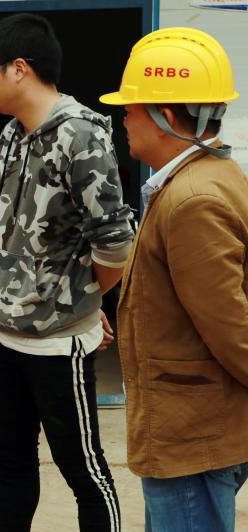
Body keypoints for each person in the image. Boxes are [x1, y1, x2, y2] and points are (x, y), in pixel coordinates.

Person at [0, 14, 134, 532]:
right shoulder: (11, 135)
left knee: (83, 470)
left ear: (18, 68)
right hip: (1, 331)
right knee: (12, 461)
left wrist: (82, 301)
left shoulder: (82, 136)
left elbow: (115, 241)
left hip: (55, 343)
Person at [100, 27, 248, 532]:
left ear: (164, 116)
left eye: (131, 109)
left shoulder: (193, 200)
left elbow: (231, 327)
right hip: (192, 425)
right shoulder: (204, 178)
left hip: (192, 434)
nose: (124, 120)